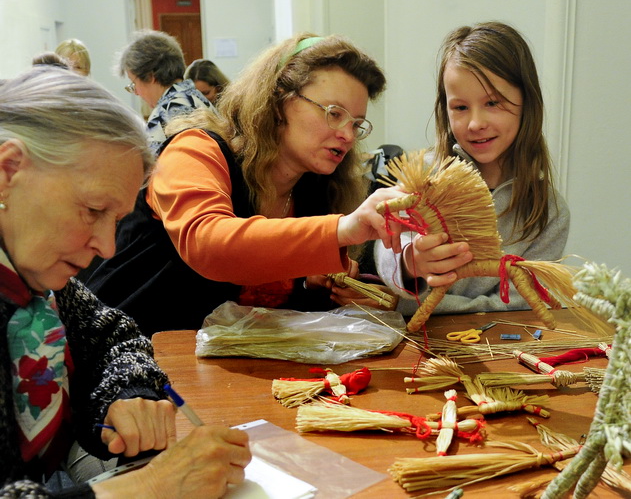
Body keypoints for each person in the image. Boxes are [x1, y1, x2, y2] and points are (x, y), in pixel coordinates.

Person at [0, 66, 250, 498]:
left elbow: (112, 335)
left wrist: (126, 393)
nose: (107, 246)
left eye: (115, 219)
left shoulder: (38, 281)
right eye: (93, 210)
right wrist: (149, 486)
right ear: (8, 170)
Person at [86, 33, 404, 335]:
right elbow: (210, 246)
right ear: (278, 101)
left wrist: (312, 286)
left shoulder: (315, 187)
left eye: (356, 124)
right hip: (124, 351)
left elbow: (253, 300)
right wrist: (342, 229)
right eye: (334, 113)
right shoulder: (195, 149)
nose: (347, 135)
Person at [375, 21, 570, 316]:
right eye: (461, 108)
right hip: (413, 339)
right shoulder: (422, 179)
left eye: (492, 103)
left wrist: (431, 306)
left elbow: (522, 305)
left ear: (527, 103)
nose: (476, 123)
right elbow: (387, 257)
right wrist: (408, 264)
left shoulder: (549, 212)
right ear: (445, 109)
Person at [118, 30, 211, 155]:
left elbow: (151, 165)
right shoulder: (197, 98)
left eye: (134, 83)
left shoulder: (164, 116)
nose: (136, 92)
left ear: (150, 76)